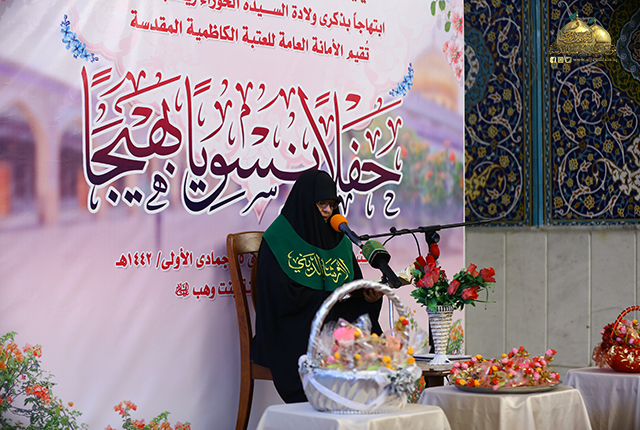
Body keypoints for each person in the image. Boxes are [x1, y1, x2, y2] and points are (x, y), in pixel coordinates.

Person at [251, 169, 383, 403]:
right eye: (322, 204)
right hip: (292, 327)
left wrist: (367, 296)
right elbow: (279, 299)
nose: (328, 211)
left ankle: (363, 404)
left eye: (332, 205)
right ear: (305, 202)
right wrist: (329, 298)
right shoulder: (278, 239)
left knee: (364, 330)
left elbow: (351, 287)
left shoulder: (338, 238)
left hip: (329, 321)